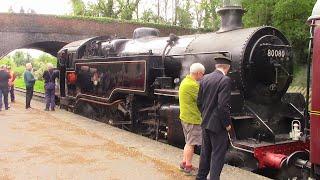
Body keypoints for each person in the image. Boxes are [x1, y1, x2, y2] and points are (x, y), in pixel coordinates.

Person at [196, 55, 232, 180]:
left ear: (216, 66)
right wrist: (227, 124)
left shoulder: (204, 78)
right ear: (227, 68)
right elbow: (222, 106)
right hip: (218, 126)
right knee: (217, 155)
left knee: (205, 154)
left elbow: (199, 102)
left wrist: (205, 115)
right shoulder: (225, 80)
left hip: (205, 122)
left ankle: (200, 177)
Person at [178, 63, 205, 176]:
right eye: (202, 74)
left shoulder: (185, 81)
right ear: (198, 73)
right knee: (191, 143)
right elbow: (203, 99)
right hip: (192, 118)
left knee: (188, 142)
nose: (203, 76)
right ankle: (188, 167)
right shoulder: (192, 85)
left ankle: (184, 163)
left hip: (186, 117)